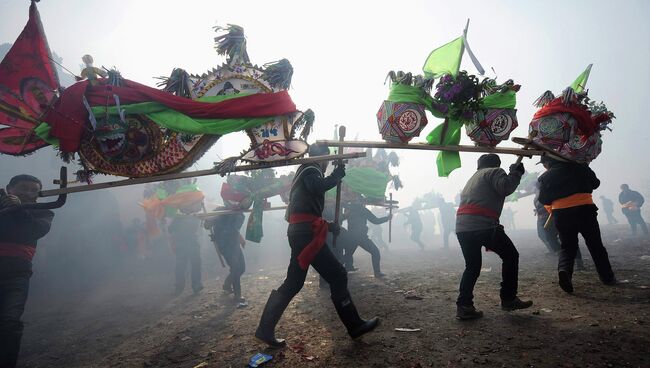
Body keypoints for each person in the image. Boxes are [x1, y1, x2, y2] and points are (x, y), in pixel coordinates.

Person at [255, 144, 379, 348]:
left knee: (293, 283)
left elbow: (307, 209)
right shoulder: (310, 168)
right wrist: (337, 175)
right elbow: (316, 187)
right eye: (328, 159)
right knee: (338, 275)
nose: (328, 163)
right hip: (306, 234)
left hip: (301, 231)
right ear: (321, 157)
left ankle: (265, 329)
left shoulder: (304, 172)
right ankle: (355, 325)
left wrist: (329, 226)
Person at [455, 154, 533, 320]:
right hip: (483, 225)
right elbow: (505, 188)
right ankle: (508, 298)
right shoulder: (495, 171)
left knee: (472, 266)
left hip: (463, 227)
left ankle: (464, 306)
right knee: (511, 256)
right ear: (496, 163)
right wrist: (516, 173)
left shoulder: (473, 178)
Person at [538, 156, 616, 293]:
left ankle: (564, 271)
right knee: (595, 245)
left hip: (561, 214)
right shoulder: (580, 166)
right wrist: (584, 167)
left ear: (548, 163)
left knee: (567, 247)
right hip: (585, 209)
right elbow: (595, 183)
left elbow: (544, 199)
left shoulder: (545, 177)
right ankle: (607, 278)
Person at [0, 175, 55, 368]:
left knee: (10, 321)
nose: (28, 193)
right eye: (23, 188)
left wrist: (18, 209)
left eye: (33, 191)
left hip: (17, 276)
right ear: (9, 189)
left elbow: (33, 231)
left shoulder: (43, 213)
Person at [533, 183, 584, 270]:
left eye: (533, 187)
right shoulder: (538, 195)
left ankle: (577, 262)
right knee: (550, 237)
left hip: (555, 216)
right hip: (546, 218)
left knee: (566, 238)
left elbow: (549, 203)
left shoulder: (546, 192)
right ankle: (564, 258)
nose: (532, 189)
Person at [341, 197, 392, 278]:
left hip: (351, 236)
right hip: (361, 237)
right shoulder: (362, 210)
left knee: (347, 255)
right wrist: (387, 218)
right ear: (361, 202)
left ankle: (331, 270)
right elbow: (375, 221)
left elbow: (342, 214)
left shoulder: (349, 208)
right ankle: (377, 273)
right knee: (375, 252)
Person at [206, 209, 247, 304]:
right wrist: (208, 221)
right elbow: (207, 225)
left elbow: (235, 229)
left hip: (234, 243)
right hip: (225, 245)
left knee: (242, 268)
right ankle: (238, 295)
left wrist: (240, 239)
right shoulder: (222, 212)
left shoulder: (240, 212)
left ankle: (227, 284)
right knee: (236, 268)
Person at [170, 201, 204, 295]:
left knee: (196, 263)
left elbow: (204, 224)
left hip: (193, 242)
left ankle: (196, 285)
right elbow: (171, 229)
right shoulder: (178, 217)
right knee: (181, 266)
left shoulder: (196, 215)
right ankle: (179, 286)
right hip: (181, 244)